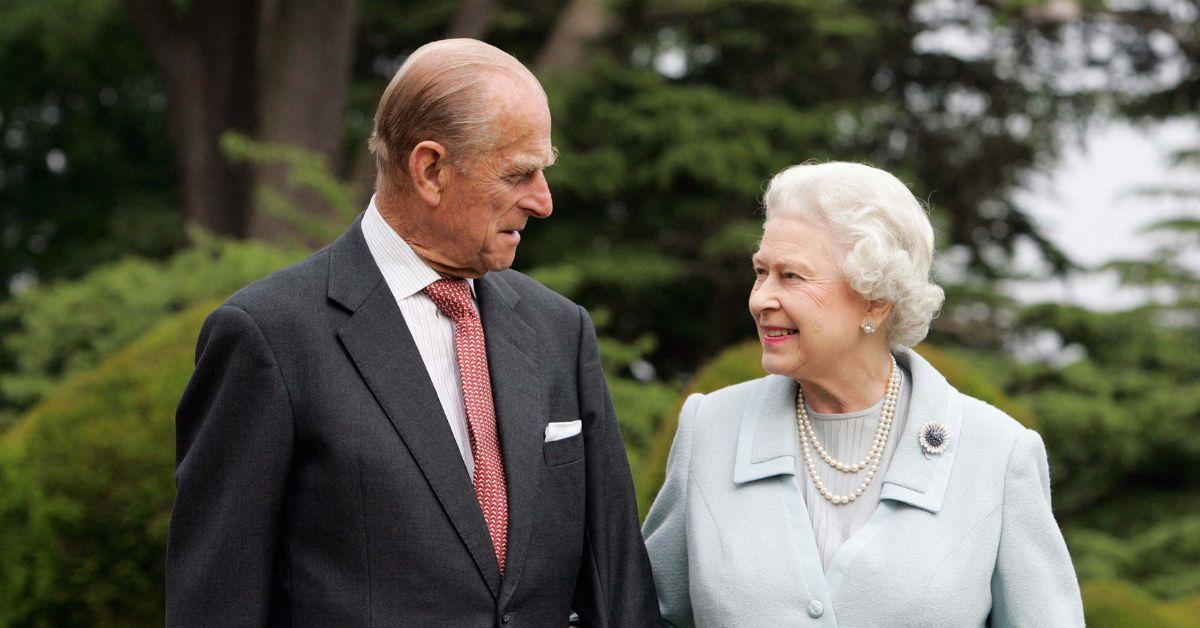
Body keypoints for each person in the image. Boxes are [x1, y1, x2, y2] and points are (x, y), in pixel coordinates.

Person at [166, 39, 659, 627]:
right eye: (519, 173)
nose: (543, 202)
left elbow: (621, 593)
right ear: (430, 169)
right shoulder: (268, 337)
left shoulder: (561, 331)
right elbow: (216, 606)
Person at [642, 162, 1084, 627]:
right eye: (761, 272)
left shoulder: (997, 455)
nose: (760, 299)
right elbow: (645, 616)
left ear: (875, 299)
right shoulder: (710, 429)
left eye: (791, 276)